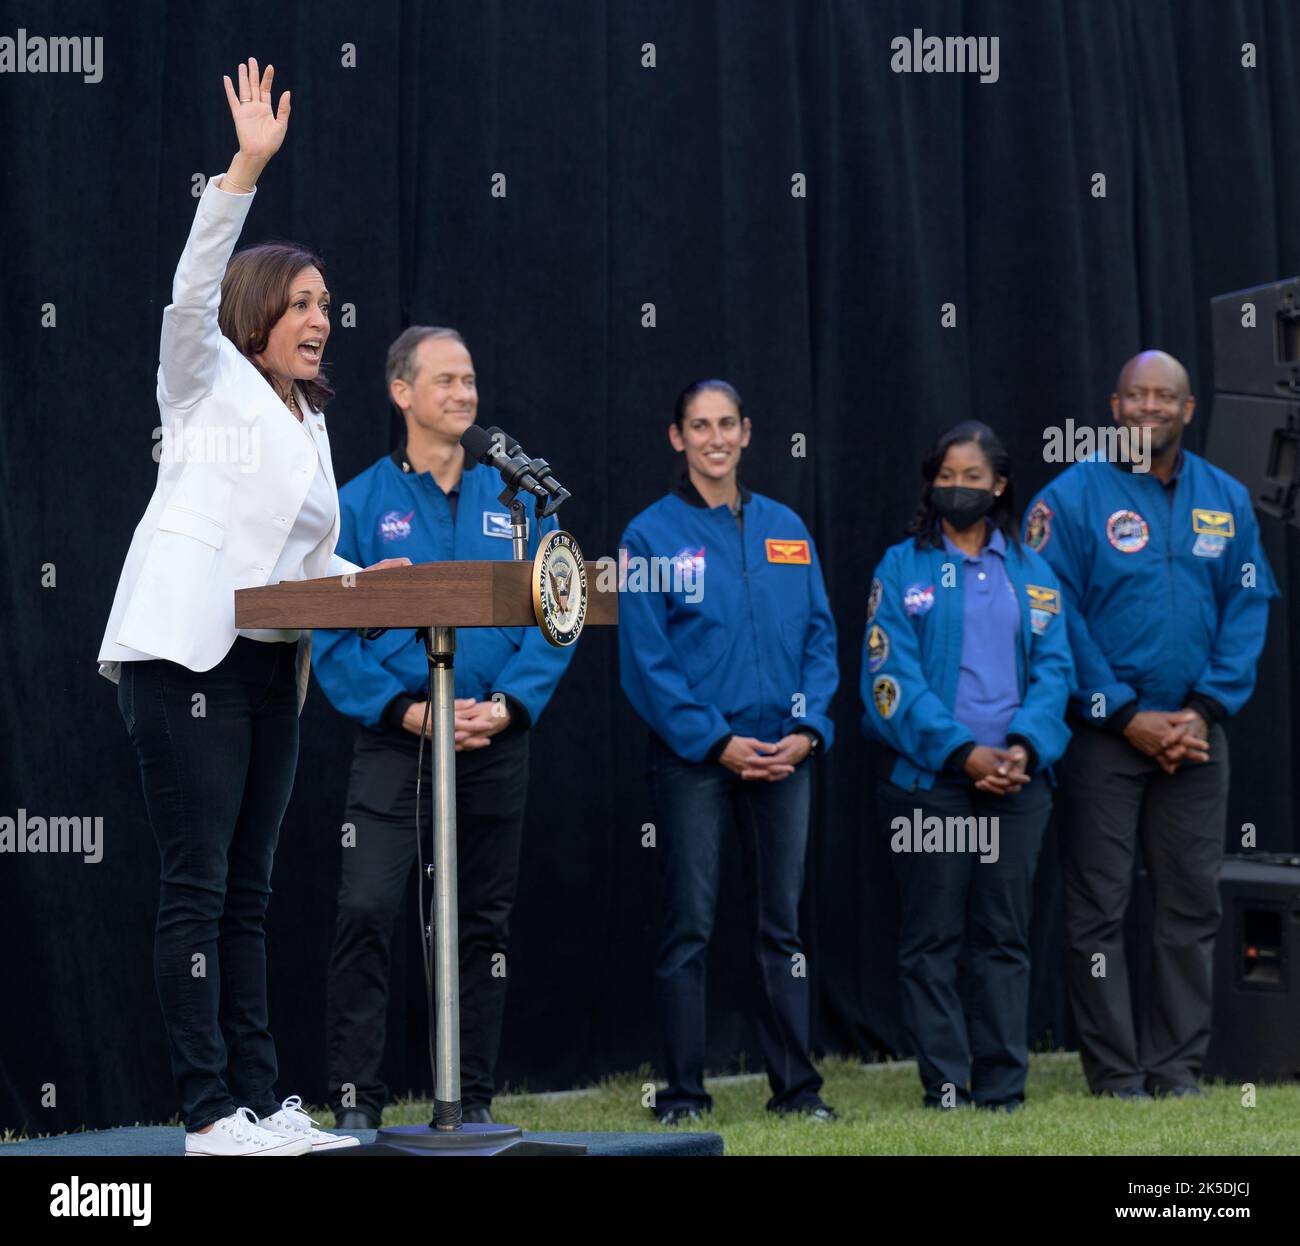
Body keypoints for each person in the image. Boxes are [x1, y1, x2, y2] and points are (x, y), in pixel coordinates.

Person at [99, 60, 406, 1156]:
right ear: (258, 311)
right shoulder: (202, 379)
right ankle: (205, 1111)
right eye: (304, 302)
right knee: (197, 883)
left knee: (251, 887)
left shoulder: (314, 424)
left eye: (328, 305)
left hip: (275, 661)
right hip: (184, 660)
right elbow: (189, 289)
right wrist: (246, 166)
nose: (322, 318)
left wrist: (396, 594)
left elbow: (320, 564)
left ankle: (263, 1102)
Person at [311, 326, 576, 1129]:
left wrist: (509, 705)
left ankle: (472, 1102)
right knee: (366, 908)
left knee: (482, 924)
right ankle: (358, 1105)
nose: (464, 395)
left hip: (494, 740)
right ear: (402, 393)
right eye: (445, 381)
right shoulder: (357, 502)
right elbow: (330, 630)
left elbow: (559, 608)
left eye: (470, 381)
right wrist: (410, 709)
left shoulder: (521, 496)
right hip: (400, 742)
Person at [1024, 350, 1277, 1099]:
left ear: (1188, 410)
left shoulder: (1225, 498)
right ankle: (1115, 1073)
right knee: (1099, 907)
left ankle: (1175, 1068)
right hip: (1106, 739)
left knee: (1190, 905)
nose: (1149, 409)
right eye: (1137, 396)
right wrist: (1125, 712)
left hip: (1197, 740)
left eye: (1165, 398)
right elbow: (1052, 613)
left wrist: (1199, 711)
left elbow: (1248, 605)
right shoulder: (1069, 499)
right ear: (1114, 405)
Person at [618, 379, 839, 1125]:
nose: (715, 438)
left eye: (727, 424)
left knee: (784, 927)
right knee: (690, 926)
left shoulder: (787, 527)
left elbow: (819, 637)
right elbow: (647, 664)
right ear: (677, 438)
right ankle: (683, 1094)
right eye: (699, 426)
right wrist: (716, 742)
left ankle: (797, 1092)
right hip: (696, 763)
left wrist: (806, 730)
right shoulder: (647, 536)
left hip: (785, 755)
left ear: (747, 433)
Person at [862, 421, 1073, 1111]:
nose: (958, 489)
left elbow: (1055, 671)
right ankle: (947, 1087)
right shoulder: (902, 567)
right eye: (946, 477)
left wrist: (1023, 748)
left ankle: (1004, 1089)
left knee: (1004, 939)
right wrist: (962, 751)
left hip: (1016, 784)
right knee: (932, 940)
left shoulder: (1032, 571)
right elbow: (889, 676)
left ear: (1000, 485)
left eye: (972, 478)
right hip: (933, 787)